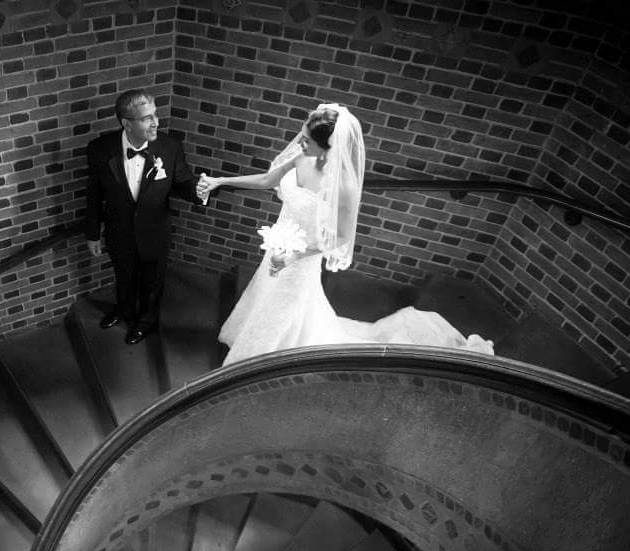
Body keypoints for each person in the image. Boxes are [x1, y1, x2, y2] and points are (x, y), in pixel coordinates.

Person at [197, 103, 494, 365]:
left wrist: (292, 255)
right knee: (264, 294)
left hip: (299, 262)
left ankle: (258, 361)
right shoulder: (300, 155)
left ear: (329, 146)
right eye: (301, 135)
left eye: (308, 140)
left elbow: (338, 239)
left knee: (283, 310)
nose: (300, 143)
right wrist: (219, 181)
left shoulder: (343, 188)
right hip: (278, 251)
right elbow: (266, 179)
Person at [85, 89, 205, 345]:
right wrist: (93, 233)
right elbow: (94, 193)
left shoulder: (169, 147)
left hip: (155, 230)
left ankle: (146, 323)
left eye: (156, 115)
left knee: (152, 282)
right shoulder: (99, 149)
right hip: (119, 231)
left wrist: (201, 191)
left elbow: (183, 182)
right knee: (124, 276)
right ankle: (124, 311)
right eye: (147, 118)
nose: (156, 123)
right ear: (126, 123)